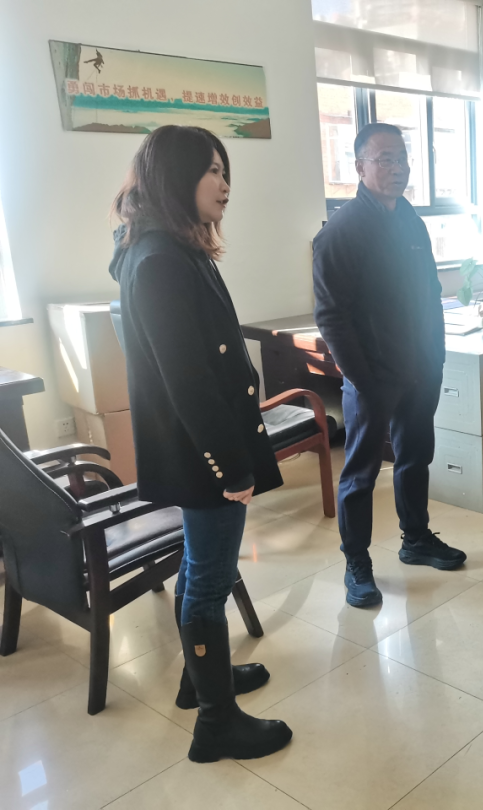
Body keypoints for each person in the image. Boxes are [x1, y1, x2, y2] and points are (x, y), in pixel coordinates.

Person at [110, 125, 292, 762]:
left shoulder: (168, 248)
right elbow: (188, 381)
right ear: (174, 177)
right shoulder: (159, 260)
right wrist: (231, 465)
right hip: (202, 451)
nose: (224, 183)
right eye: (211, 170)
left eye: (224, 169)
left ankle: (199, 679)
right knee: (211, 579)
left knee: (197, 566)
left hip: (199, 447)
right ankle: (216, 724)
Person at [313, 122, 466, 609]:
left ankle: (415, 538)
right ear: (359, 167)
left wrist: (436, 354)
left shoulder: (411, 221)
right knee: (360, 473)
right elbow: (331, 317)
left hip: (420, 368)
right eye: (385, 159)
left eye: (402, 158)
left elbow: (430, 293)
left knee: (416, 455)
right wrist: (362, 379)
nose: (397, 168)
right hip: (372, 378)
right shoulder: (340, 232)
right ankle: (356, 563)